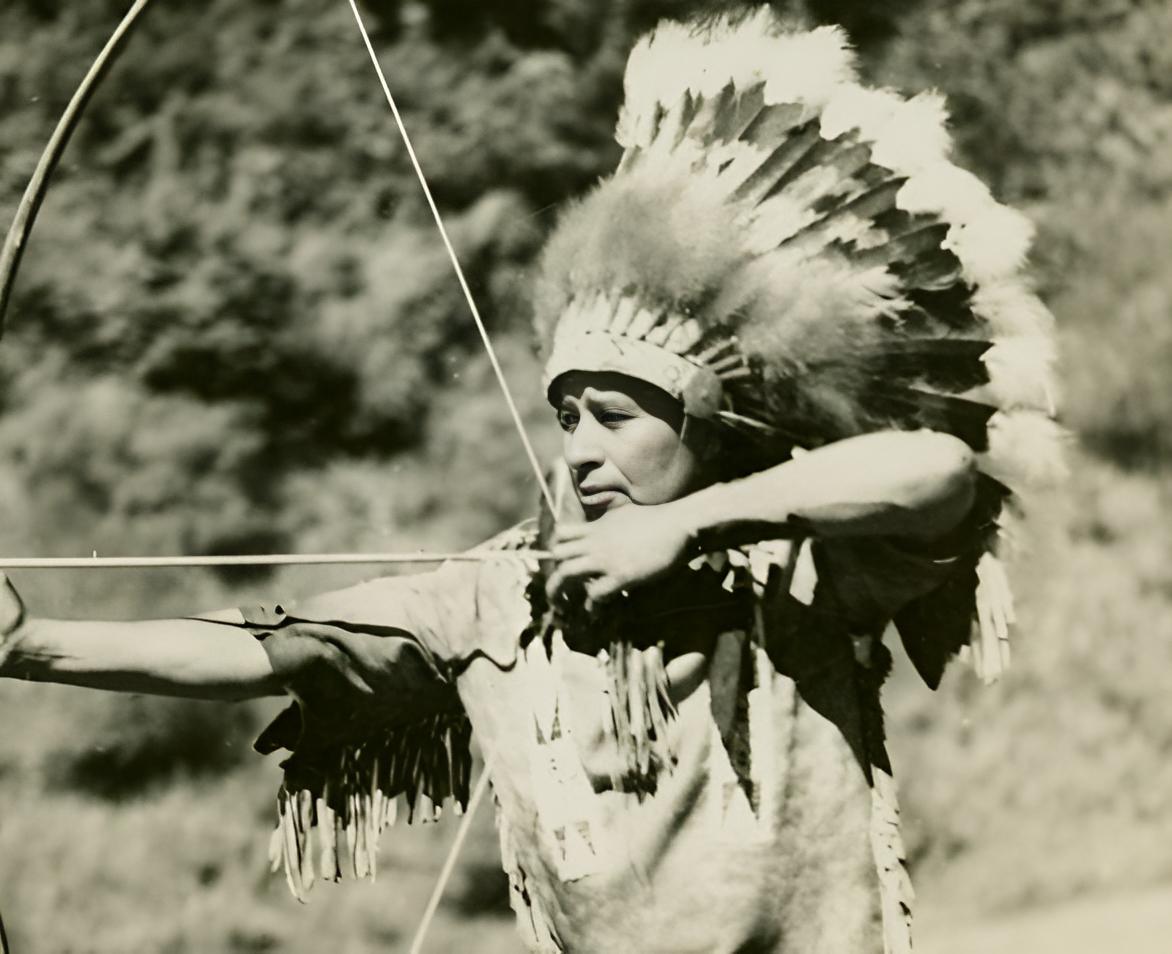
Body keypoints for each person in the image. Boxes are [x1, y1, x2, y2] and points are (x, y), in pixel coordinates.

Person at [0, 9, 1061, 953]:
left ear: (701, 430)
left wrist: (691, 525)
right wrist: (30, 645)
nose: (582, 449)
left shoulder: (792, 569)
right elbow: (265, 648)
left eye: (616, 418)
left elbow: (936, 469)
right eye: (567, 418)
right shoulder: (500, 595)